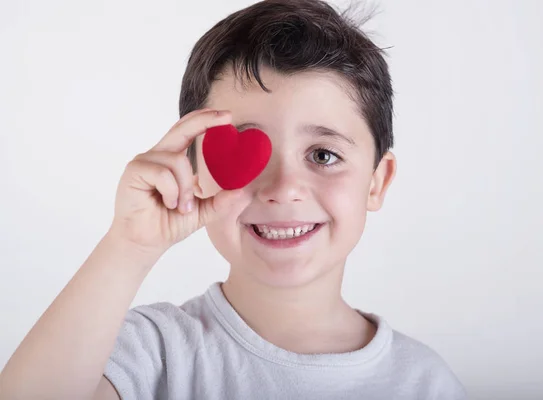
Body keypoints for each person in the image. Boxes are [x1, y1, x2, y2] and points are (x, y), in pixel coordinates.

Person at [0, 1, 467, 399]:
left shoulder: (423, 382)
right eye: (251, 153)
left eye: (323, 155)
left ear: (376, 182)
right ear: (195, 167)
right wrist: (130, 245)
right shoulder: (150, 353)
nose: (283, 188)